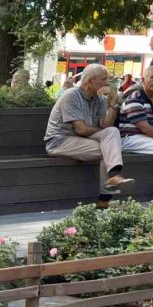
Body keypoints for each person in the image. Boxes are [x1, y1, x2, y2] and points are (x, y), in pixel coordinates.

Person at [44, 63, 133, 209]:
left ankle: (114, 176)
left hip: (82, 140)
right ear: (89, 81)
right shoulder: (71, 95)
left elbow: (107, 126)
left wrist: (112, 104)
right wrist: (100, 130)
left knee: (113, 133)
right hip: (60, 141)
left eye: (108, 79)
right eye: (103, 79)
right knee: (108, 150)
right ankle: (105, 199)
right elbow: (81, 129)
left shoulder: (99, 99)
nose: (107, 83)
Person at [118, 65, 153, 192]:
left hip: (151, 139)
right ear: (143, 79)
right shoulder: (134, 98)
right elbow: (146, 128)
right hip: (130, 139)